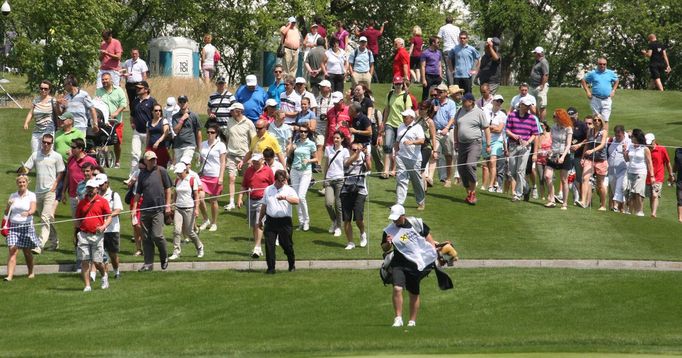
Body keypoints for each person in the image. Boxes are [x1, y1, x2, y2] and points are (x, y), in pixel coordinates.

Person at [381, 204, 438, 327]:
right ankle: (398, 318)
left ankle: (412, 321)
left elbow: (428, 238)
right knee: (397, 288)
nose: (395, 221)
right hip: (399, 264)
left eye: (397, 218)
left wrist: (433, 254)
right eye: (393, 219)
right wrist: (388, 243)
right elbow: (384, 248)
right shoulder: (389, 230)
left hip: (415, 265)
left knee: (414, 293)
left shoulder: (416, 223)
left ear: (403, 215)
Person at [22, 133, 64, 253]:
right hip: (38, 192)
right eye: (44, 142)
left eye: (48, 143)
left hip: (50, 192)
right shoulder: (36, 155)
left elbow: (61, 172)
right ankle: (55, 241)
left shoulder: (57, 156)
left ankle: (39, 245)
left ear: (52, 144)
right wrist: (23, 172)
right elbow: (27, 168)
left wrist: (55, 185)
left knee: (45, 217)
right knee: (47, 218)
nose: (46, 144)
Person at [132, 151, 172, 271]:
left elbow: (168, 189)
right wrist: (134, 208)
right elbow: (138, 193)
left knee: (157, 235)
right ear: (145, 161)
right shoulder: (142, 174)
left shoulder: (161, 171)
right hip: (145, 210)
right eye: (151, 159)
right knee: (146, 238)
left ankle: (164, 256)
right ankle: (148, 263)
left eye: (154, 159)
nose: (154, 161)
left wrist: (168, 205)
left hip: (158, 209)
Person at [258, 170, 299, 274]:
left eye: (284, 180)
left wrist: (285, 198)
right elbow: (264, 205)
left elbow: (297, 201)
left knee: (286, 244)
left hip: (285, 221)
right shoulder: (268, 189)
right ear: (275, 179)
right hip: (270, 221)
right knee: (269, 245)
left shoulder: (289, 190)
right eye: (281, 181)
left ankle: (291, 263)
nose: (283, 183)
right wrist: (260, 220)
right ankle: (271, 268)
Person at [75, 179, 112, 291]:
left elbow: (109, 216)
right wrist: (77, 232)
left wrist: (103, 226)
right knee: (85, 260)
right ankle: (87, 285)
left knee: (97, 261)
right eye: (88, 188)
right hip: (83, 235)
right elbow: (78, 219)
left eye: (92, 188)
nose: (90, 190)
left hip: (97, 235)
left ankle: (104, 276)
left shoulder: (103, 201)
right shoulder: (82, 202)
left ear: (97, 189)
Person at [454, 93, 490, 205]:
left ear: (471, 101)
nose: (463, 102)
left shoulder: (479, 112)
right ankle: (469, 193)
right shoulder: (460, 111)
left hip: (475, 143)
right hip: (462, 144)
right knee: (461, 168)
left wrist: (488, 144)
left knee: (470, 165)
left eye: (465, 101)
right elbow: (456, 127)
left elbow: (486, 128)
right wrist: (456, 141)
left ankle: (473, 191)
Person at [3, 175, 40, 281]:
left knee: (27, 251)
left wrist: (28, 213)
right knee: (12, 249)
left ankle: (31, 272)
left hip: (26, 226)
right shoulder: (13, 196)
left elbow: (33, 209)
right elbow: (6, 213)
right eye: (20, 182)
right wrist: (8, 206)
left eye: (24, 182)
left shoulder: (31, 195)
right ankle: (9, 276)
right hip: (14, 227)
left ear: (27, 183)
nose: (22, 184)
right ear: (17, 183)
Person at [237, 153, 274, 259]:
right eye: (254, 162)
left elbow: (272, 186)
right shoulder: (249, 170)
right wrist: (240, 198)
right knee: (254, 224)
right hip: (250, 200)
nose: (255, 163)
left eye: (257, 162)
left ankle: (257, 247)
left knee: (259, 222)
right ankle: (257, 246)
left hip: (262, 201)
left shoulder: (268, 171)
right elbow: (244, 185)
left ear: (262, 160)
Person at [223, 103, 256, 211]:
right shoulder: (229, 121)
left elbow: (253, 140)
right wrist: (227, 151)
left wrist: (251, 156)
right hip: (231, 155)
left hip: (244, 156)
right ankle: (232, 202)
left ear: (239, 111)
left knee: (247, 180)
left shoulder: (249, 123)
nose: (230, 112)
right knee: (232, 178)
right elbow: (228, 137)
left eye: (232, 110)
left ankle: (247, 199)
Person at [506, 97, 539, 202]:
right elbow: (507, 130)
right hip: (513, 145)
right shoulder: (512, 116)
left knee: (520, 170)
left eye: (528, 106)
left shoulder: (531, 118)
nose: (527, 108)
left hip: (525, 147)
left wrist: (528, 142)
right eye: (525, 105)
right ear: (520, 105)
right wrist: (514, 135)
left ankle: (518, 194)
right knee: (512, 171)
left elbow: (535, 134)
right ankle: (526, 188)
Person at [380, 77, 413, 179]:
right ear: (393, 84)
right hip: (390, 123)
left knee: (397, 148)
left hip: (401, 125)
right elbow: (387, 110)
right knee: (387, 146)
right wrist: (383, 123)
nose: (398, 85)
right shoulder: (390, 94)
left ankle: (394, 169)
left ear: (402, 84)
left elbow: (408, 112)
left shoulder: (406, 96)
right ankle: (385, 170)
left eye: (399, 84)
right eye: (396, 84)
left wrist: (408, 125)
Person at [169, 162, 204, 260]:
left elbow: (196, 195)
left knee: (189, 232)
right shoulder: (177, 181)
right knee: (176, 231)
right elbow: (175, 193)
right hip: (178, 209)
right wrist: (173, 203)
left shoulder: (192, 180)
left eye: (180, 172)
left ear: (185, 170)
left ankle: (200, 246)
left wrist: (197, 209)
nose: (178, 174)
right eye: (177, 173)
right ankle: (176, 252)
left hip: (189, 208)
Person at [341, 142, 371, 249]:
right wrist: (357, 153)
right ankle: (350, 242)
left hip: (360, 191)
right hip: (346, 190)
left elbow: (369, 168)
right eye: (353, 150)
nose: (355, 151)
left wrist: (366, 155)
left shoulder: (363, 158)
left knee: (358, 218)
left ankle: (363, 233)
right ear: (350, 150)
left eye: (356, 150)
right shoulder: (345, 158)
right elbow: (348, 163)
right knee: (347, 219)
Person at [288, 124, 318, 231]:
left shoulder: (311, 144)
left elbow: (316, 159)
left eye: (305, 132)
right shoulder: (296, 143)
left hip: (306, 171)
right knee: (296, 198)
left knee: (301, 196)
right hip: (294, 171)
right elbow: (288, 155)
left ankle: (306, 221)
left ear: (308, 133)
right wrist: (291, 148)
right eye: (301, 131)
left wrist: (308, 160)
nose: (303, 133)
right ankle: (301, 222)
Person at [197, 123, 227, 231]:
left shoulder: (221, 145)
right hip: (203, 175)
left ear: (216, 134)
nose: (210, 134)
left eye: (212, 132)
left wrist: (221, 177)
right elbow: (200, 159)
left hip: (215, 175)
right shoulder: (203, 144)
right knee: (199, 197)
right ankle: (206, 219)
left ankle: (214, 222)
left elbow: (223, 162)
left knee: (213, 201)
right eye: (208, 132)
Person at [394, 109, 426, 209]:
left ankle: (421, 201)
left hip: (414, 158)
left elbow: (422, 140)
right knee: (401, 178)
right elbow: (397, 140)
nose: (403, 118)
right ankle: (399, 203)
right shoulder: (400, 126)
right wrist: (395, 152)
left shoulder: (418, 127)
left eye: (405, 117)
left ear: (411, 118)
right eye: (403, 116)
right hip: (401, 156)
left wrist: (412, 142)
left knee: (416, 180)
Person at [92, 173, 122, 280]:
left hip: (112, 229)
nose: (99, 187)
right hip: (99, 229)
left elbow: (118, 210)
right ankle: (101, 275)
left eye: (101, 184)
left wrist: (107, 215)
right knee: (98, 254)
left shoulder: (114, 195)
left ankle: (117, 271)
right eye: (98, 185)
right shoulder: (95, 196)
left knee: (112, 254)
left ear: (107, 183)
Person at [544, 109, 573, 210]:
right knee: (547, 176)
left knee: (564, 179)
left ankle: (564, 203)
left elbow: (568, 144)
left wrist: (563, 157)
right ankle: (551, 199)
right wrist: (549, 150)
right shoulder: (553, 127)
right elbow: (552, 141)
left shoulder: (568, 129)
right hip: (553, 153)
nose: (553, 118)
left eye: (555, 116)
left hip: (564, 154)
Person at [96, 72, 127, 168]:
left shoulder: (119, 90)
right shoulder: (99, 91)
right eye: (103, 79)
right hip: (104, 120)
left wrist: (116, 112)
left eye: (106, 79)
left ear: (111, 80)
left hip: (116, 121)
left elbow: (123, 104)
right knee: (103, 139)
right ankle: (104, 159)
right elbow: (96, 103)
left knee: (116, 142)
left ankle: (117, 161)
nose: (104, 81)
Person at [127, 77, 156, 182]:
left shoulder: (152, 101)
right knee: (135, 154)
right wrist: (132, 123)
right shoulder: (135, 101)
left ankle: (150, 176)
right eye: (137, 88)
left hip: (149, 133)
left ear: (146, 89)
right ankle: (132, 177)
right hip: (137, 132)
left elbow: (156, 117)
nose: (137, 90)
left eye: (140, 88)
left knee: (149, 156)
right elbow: (132, 115)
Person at [579, 115, 608, 210]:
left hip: (601, 160)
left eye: (599, 120)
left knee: (600, 184)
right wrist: (583, 157)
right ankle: (583, 201)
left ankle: (603, 205)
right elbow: (587, 145)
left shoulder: (604, 132)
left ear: (601, 122)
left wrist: (593, 150)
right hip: (590, 159)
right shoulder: (590, 131)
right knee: (585, 177)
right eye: (595, 120)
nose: (596, 121)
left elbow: (603, 144)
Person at [430, 83, 457, 187]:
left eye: (440, 92)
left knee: (448, 155)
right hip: (436, 131)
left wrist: (446, 128)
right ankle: (430, 178)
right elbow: (429, 116)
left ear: (446, 93)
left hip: (448, 131)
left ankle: (448, 179)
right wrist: (433, 111)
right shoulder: (434, 102)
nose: (438, 94)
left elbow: (452, 118)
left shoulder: (451, 104)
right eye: (437, 92)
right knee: (434, 152)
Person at [580, 57, 618, 129]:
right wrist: (588, 91)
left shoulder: (610, 73)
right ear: (597, 64)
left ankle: (604, 136)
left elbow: (617, 80)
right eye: (600, 64)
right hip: (595, 99)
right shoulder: (593, 73)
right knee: (596, 119)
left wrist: (613, 90)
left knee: (605, 120)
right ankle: (596, 137)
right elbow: (583, 80)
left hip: (606, 99)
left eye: (604, 64)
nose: (602, 66)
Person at [623, 129, 654, 216]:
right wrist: (624, 151)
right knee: (629, 192)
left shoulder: (645, 148)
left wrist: (652, 176)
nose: (631, 138)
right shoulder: (631, 146)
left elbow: (649, 162)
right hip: (630, 171)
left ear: (637, 137)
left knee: (638, 192)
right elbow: (627, 159)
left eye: (632, 136)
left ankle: (639, 211)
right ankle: (629, 210)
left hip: (640, 172)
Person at [324, 131, 349, 237]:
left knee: (338, 205)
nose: (335, 140)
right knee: (328, 203)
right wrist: (324, 178)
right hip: (329, 179)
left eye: (338, 138)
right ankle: (334, 221)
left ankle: (339, 226)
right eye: (334, 138)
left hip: (340, 180)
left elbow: (346, 165)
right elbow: (326, 165)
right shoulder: (328, 149)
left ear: (342, 139)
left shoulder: (345, 151)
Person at [64, 138, 98, 216]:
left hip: (87, 195)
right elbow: (67, 175)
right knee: (76, 220)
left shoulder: (90, 160)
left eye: (73, 147)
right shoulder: (70, 159)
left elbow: (98, 175)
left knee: (88, 218)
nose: (71, 149)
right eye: (71, 147)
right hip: (73, 195)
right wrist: (63, 192)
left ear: (80, 148)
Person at [23, 80, 58, 153]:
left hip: (48, 130)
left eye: (46, 89)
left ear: (49, 90)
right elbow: (31, 113)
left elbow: (58, 113)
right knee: (35, 153)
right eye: (41, 88)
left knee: (47, 153)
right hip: (37, 131)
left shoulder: (53, 100)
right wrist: (26, 123)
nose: (43, 90)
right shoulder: (36, 100)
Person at [645, 133, 674, 218]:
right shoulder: (646, 149)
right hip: (648, 176)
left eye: (650, 143)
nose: (649, 145)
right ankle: (652, 212)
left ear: (654, 141)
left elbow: (668, 162)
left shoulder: (662, 149)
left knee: (655, 194)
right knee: (651, 196)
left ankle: (654, 213)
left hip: (658, 176)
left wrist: (671, 174)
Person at [482, 95, 506, 192]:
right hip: (485, 140)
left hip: (497, 141)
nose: (498, 103)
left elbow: (499, 130)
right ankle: (494, 183)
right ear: (493, 101)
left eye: (500, 102)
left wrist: (489, 127)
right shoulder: (486, 112)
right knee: (488, 163)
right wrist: (492, 127)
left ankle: (491, 185)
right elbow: (483, 125)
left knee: (492, 162)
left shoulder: (503, 115)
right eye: (497, 101)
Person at [172, 95, 202, 167]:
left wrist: (199, 148)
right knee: (179, 168)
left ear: (187, 103)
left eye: (184, 102)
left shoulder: (194, 116)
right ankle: (189, 178)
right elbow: (176, 131)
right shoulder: (175, 116)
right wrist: (182, 119)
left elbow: (198, 132)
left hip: (189, 144)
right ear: (178, 104)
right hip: (178, 145)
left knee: (185, 164)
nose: (182, 103)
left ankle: (190, 177)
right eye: (180, 102)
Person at [607, 125, 630, 213]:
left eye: (619, 135)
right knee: (613, 189)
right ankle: (619, 209)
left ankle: (618, 207)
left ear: (623, 133)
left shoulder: (628, 141)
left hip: (623, 169)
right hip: (612, 169)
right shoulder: (612, 140)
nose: (617, 137)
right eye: (616, 135)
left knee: (621, 187)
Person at [415, 100, 437, 190]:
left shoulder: (430, 122)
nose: (420, 110)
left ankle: (423, 189)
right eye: (419, 108)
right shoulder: (417, 119)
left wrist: (434, 150)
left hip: (426, 147)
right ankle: (423, 188)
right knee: (419, 168)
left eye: (422, 109)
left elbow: (433, 136)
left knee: (421, 168)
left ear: (427, 110)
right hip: (417, 147)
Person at [146, 102, 170, 168]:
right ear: (152, 112)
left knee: (161, 167)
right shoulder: (148, 123)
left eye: (160, 110)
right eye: (156, 110)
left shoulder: (164, 121)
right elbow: (148, 136)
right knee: (149, 166)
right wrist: (146, 148)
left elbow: (166, 133)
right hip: (151, 147)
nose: (158, 112)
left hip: (161, 148)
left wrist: (158, 141)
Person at [437, 16, 460, 85]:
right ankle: (456, 83)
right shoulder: (457, 28)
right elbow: (459, 39)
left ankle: (450, 84)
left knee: (448, 67)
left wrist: (439, 46)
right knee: (456, 66)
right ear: (452, 21)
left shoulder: (442, 28)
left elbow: (438, 38)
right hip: (456, 49)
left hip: (447, 49)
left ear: (445, 21)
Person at [529, 46, 550, 121]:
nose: (534, 54)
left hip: (540, 86)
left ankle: (542, 122)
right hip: (533, 86)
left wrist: (542, 85)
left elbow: (546, 74)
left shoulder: (544, 61)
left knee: (542, 105)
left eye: (535, 53)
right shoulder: (537, 61)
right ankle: (536, 120)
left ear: (538, 54)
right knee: (532, 104)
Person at [420, 36, 443, 101]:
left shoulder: (439, 52)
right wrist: (423, 79)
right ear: (433, 43)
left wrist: (440, 75)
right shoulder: (425, 53)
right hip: (428, 76)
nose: (439, 44)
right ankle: (424, 108)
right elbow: (422, 66)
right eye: (438, 42)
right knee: (426, 95)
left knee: (439, 94)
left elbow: (439, 65)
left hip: (437, 76)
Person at [674, 147, 682, 222]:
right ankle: (680, 219)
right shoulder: (678, 151)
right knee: (680, 199)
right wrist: (673, 173)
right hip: (680, 180)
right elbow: (676, 164)